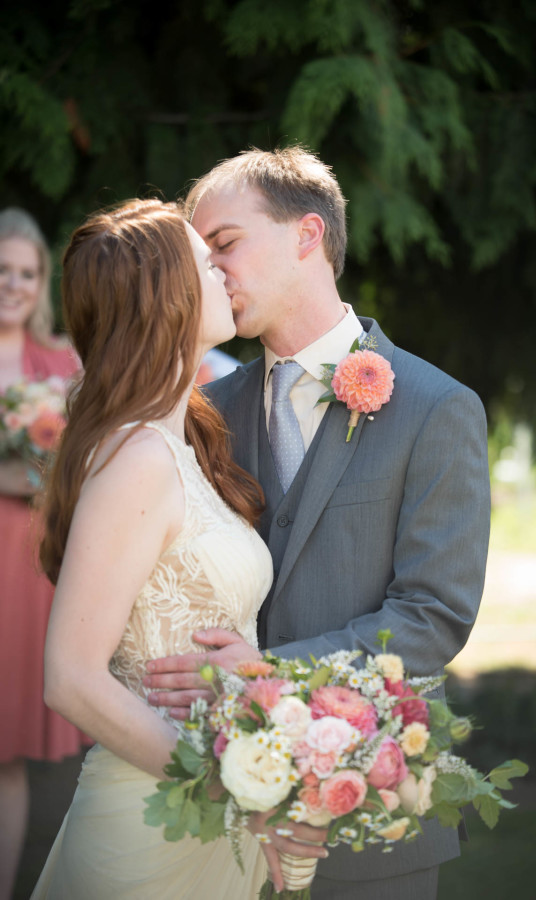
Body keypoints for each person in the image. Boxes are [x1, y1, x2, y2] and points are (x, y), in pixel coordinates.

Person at [143, 147, 491, 900]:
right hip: (217, 822)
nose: (212, 272)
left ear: (306, 235)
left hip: (371, 805)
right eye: (201, 256)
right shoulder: (207, 415)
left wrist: (269, 675)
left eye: (225, 244)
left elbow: (433, 616)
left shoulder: (437, 409)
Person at [31, 198, 327, 898]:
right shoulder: (136, 457)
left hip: (211, 815)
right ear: (164, 297)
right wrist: (235, 796)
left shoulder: (183, 443)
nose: (223, 271)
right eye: (204, 261)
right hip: (151, 826)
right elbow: (69, 677)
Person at [0, 207, 89, 900]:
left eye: (26, 273)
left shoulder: (63, 362)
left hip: (23, 562)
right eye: (1, 270)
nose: (13, 284)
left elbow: (81, 462)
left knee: (6, 755)